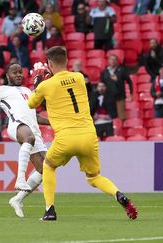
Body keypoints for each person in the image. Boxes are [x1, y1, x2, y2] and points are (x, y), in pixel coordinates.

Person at [28, 46, 138, 221]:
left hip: (65, 138)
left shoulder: (46, 86)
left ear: (49, 64)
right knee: (94, 177)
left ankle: (50, 210)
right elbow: (63, 85)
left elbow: (31, 104)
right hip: (88, 136)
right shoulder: (79, 77)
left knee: (48, 166)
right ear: (66, 61)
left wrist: (37, 83)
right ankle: (118, 195)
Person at [0, 63, 50, 218]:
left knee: (46, 169)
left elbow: (33, 115)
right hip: (16, 125)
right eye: (14, 72)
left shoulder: (28, 91)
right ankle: (19, 179)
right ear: (7, 75)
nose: (18, 75)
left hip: (33, 129)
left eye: (20, 72)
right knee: (28, 137)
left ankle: (17, 199)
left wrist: (52, 122)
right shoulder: (0, 90)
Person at [101, 55, 134, 120]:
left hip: (120, 97)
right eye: (111, 59)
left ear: (117, 61)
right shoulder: (104, 72)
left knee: (121, 116)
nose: (113, 61)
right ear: (108, 61)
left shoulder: (122, 70)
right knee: (111, 116)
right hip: (109, 98)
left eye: (114, 59)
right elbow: (102, 84)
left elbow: (129, 81)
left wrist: (131, 93)